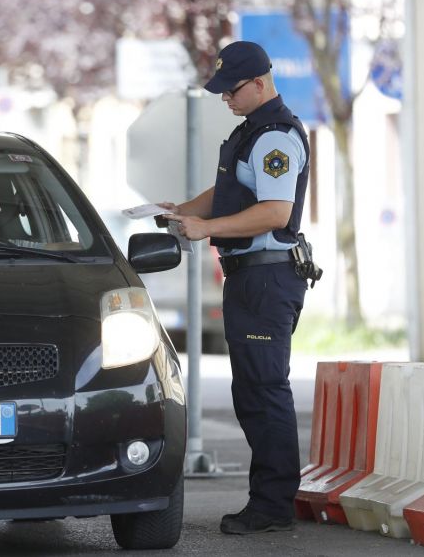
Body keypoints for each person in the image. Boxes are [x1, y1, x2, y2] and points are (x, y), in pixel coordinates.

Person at [162, 41, 318, 535]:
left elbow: (275, 211)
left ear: (259, 83)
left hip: (266, 275)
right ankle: (270, 499)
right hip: (252, 276)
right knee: (252, 389)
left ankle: (272, 505)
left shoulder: (275, 137)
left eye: (231, 90)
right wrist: (186, 210)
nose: (225, 98)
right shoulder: (251, 132)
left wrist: (206, 229)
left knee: (265, 391)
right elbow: (230, 191)